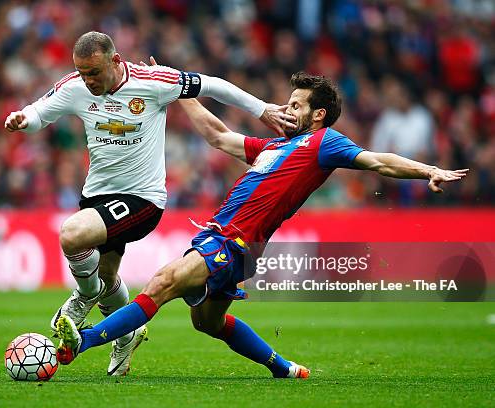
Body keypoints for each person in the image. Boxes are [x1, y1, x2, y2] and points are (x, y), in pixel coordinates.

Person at [54, 70, 468, 379]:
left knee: (163, 282)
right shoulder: (273, 145)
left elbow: (378, 161)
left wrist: (427, 168)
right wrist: (180, 92)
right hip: (219, 236)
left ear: (318, 114)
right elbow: (218, 136)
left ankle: (84, 341)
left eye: (296, 105)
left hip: (234, 242)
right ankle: (283, 368)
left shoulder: (325, 142)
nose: (287, 109)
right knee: (208, 323)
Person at [4, 32, 294, 376]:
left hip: (143, 199)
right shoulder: (75, 87)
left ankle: (84, 296)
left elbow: (213, 84)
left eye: (94, 72)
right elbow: (40, 112)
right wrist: (23, 119)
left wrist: (263, 110)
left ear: (115, 61)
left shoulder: (153, 82)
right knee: (109, 278)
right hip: (98, 194)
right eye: (82, 73)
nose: (88, 80)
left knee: (71, 235)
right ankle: (127, 334)